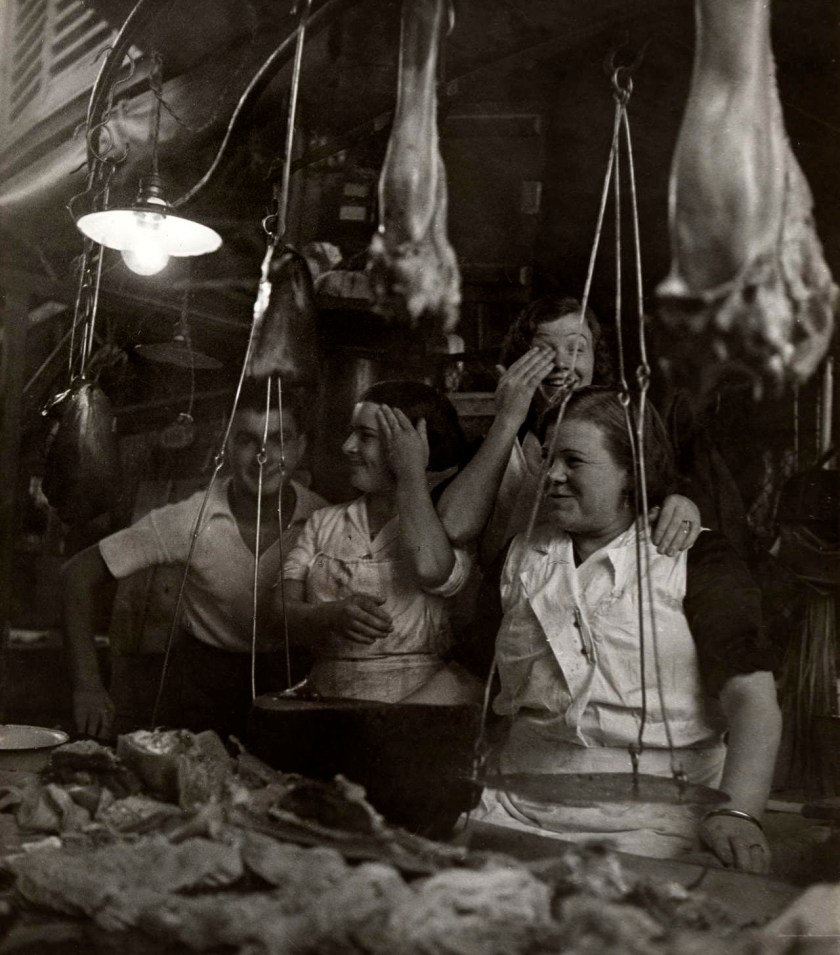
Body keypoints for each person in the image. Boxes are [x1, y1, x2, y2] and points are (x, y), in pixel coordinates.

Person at [470, 387, 781, 872]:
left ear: (631, 472)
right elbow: (474, 682)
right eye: (548, 457)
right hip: (513, 809)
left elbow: (753, 699)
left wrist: (738, 813)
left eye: (574, 461)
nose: (551, 476)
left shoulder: (697, 560)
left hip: (653, 822)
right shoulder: (519, 558)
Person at [61, 379, 328, 741]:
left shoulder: (323, 518)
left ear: (300, 447)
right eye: (247, 440)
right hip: (205, 693)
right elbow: (76, 575)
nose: (263, 456)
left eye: (280, 439)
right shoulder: (190, 518)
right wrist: (87, 686)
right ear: (227, 446)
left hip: (294, 684)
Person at [437, 295, 703, 568]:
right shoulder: (500, 440)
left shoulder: (626, 430)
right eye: (543, 352)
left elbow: (664, 495)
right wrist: (507, 420)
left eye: (576, 349)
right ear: (517, 365)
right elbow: (454, 528)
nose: (562, 363)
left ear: (595, 359)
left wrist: (681, 504)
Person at [280, 380, 481, 704]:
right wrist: (327, 616)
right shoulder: (324, 521)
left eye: (366, 436)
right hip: (324, 697)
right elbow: (280, 612)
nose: (348, 446)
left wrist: (411, 472)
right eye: (351, 432)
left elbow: (434, 570)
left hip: (419, 704)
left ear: (412, 447)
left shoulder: (447, 523)